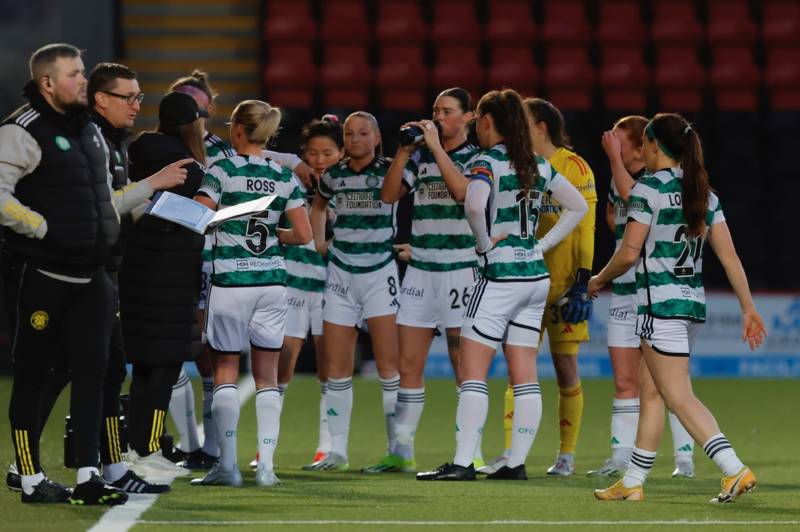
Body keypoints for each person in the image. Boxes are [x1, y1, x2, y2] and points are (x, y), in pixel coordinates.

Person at [0, 44, 179, 505]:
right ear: (48, 83)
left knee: (94, 374)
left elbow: (106, 203)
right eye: (76, 74)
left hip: (94, 275)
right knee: (35, 376)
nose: (84, 80)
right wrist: (41, 227)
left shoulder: (90, 134)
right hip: (46, 274)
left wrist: (146, 190)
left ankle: (88, 475)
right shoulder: (21, 130)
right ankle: (30, 476)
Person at [589, 113, 766, 503]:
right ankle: (633, 482)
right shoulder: (704, 192)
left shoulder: (647, 189)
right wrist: (747, 307)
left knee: (678, 396)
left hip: (659, 309)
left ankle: (733, 469)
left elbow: (628, 253)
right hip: (691, 308)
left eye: (647, 145)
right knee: (652, 394)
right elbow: (731, 256)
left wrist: (599, 278)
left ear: (653, 147)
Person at [417, 89, 588, 481]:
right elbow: (577, 206)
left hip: (500, 275)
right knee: (524, 369)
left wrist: (482, 244)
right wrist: (541, 243)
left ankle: (462, 462)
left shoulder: (487, 161)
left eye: (478, 120)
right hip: (535, 278)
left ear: (488, 122)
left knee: (473, 369)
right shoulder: (538, 163)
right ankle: (515, 462)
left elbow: (474, 205)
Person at [167, 71, 318, 469]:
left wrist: (158, 205)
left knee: (226, 372)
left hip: (230, 282)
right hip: (271, 282)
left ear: (236, 130)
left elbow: (196, 218)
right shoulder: (283, 175)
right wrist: (268, 234)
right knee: (267, 376)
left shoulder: (222, 171)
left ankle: (227, 466)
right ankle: (266, 468)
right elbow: (303, 235)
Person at [487, 98, 597, 476]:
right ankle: (508, 451)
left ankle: (566, 454)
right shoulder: (519, 165)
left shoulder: (574, 166)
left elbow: (586, 223)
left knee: (566, 366)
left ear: (542, 128)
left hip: (564, 284)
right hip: (525, 278)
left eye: (524, 122)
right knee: (516, 366)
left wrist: (584, 279)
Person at [376, 88, 482, 473]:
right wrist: (403, 152)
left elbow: (463, 194)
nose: (438, 117)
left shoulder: (477, 158)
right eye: (435, 110)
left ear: (468, 117)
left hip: (460, 268)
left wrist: (436, 148)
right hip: (420, 269)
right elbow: (388, 196)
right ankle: (401, 451)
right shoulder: (418, 155)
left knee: (462, 362)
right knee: (409, 363)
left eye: (448, 111)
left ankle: (471, 451)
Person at [587, 115, 695, 479]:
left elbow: (635, 201)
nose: (608, 140)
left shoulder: (650, 184)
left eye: (616, 137)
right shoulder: (626, 181)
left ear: (639, 144)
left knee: (671, 385)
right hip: (625, 291)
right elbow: (618, 223)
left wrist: (615, 161)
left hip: (654, 291)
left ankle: (684, 458)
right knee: (624, 380)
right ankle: (621, 458)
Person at [305, 111, 401, 471]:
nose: (355, 139)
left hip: (379, 274)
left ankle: (397, 449)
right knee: (335, 368)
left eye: (363, 133)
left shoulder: (392, 171)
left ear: (377, 137)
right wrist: (319, 242)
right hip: (341, 275)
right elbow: (318, 205)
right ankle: (338, 451)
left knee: (389, 368)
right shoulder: (334, 176)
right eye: (349, 133)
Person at [119, 91, 208, 478]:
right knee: (167, 362)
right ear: (194, 124)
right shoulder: (190, 165)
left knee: (142, 361)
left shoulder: (136, 150)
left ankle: (135, 446)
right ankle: (149, 446)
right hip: (172, 273)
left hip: (135, 267)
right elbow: (187, 218)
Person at [273, 115, 343, 468]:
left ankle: (326, 448)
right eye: (312, 153)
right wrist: (293, 163)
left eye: (327, 152)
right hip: (294, 283)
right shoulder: (291, 178)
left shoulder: (351, 185)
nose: (318, 160)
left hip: (335, 287)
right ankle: (266, 447)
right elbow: (260, 156)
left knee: (330, 370)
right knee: (282, 364)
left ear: (341, 153)